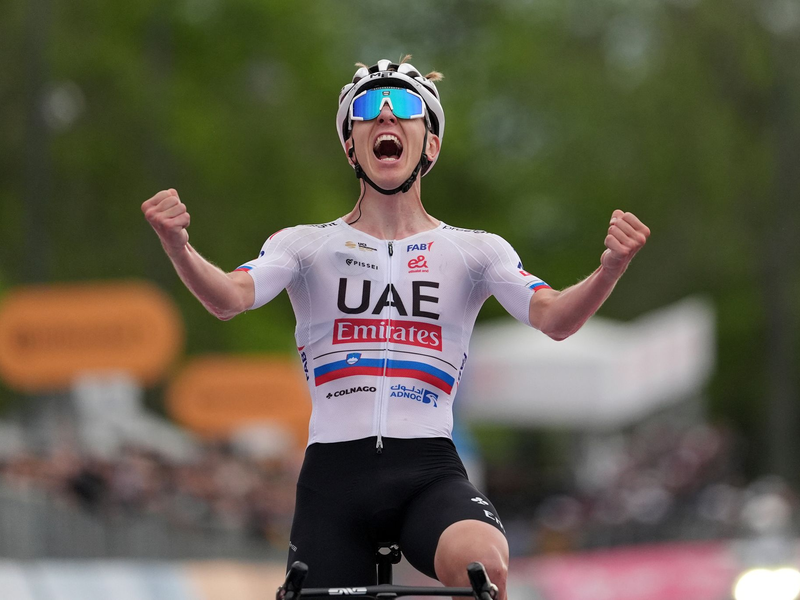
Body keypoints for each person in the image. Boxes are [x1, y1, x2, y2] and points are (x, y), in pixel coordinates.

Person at [142, 56, 650, 598]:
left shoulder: (474, 250)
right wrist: (179, 246)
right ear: (350, 146)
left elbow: (555, 319)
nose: (385, 118)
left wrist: (609, 268)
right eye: (367, 111)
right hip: (333, 479)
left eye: (404, 108)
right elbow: (228, 298)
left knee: (484, 567)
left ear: (429, 144)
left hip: (428, 470)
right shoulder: (304, 244)